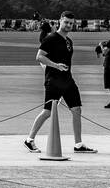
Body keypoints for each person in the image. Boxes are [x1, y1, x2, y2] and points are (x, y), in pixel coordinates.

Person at [24, 12, 95, 153]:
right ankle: (29, 140)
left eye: (71, 23)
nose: (68, 25)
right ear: (60, 21)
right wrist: (55, 65)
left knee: (76, 109)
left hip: (68, 80)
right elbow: (39, 57)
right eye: (66, 22)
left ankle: (78, 144)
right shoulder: (51, 38)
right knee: (47, 112)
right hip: (54, 81)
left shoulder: (69, 41)